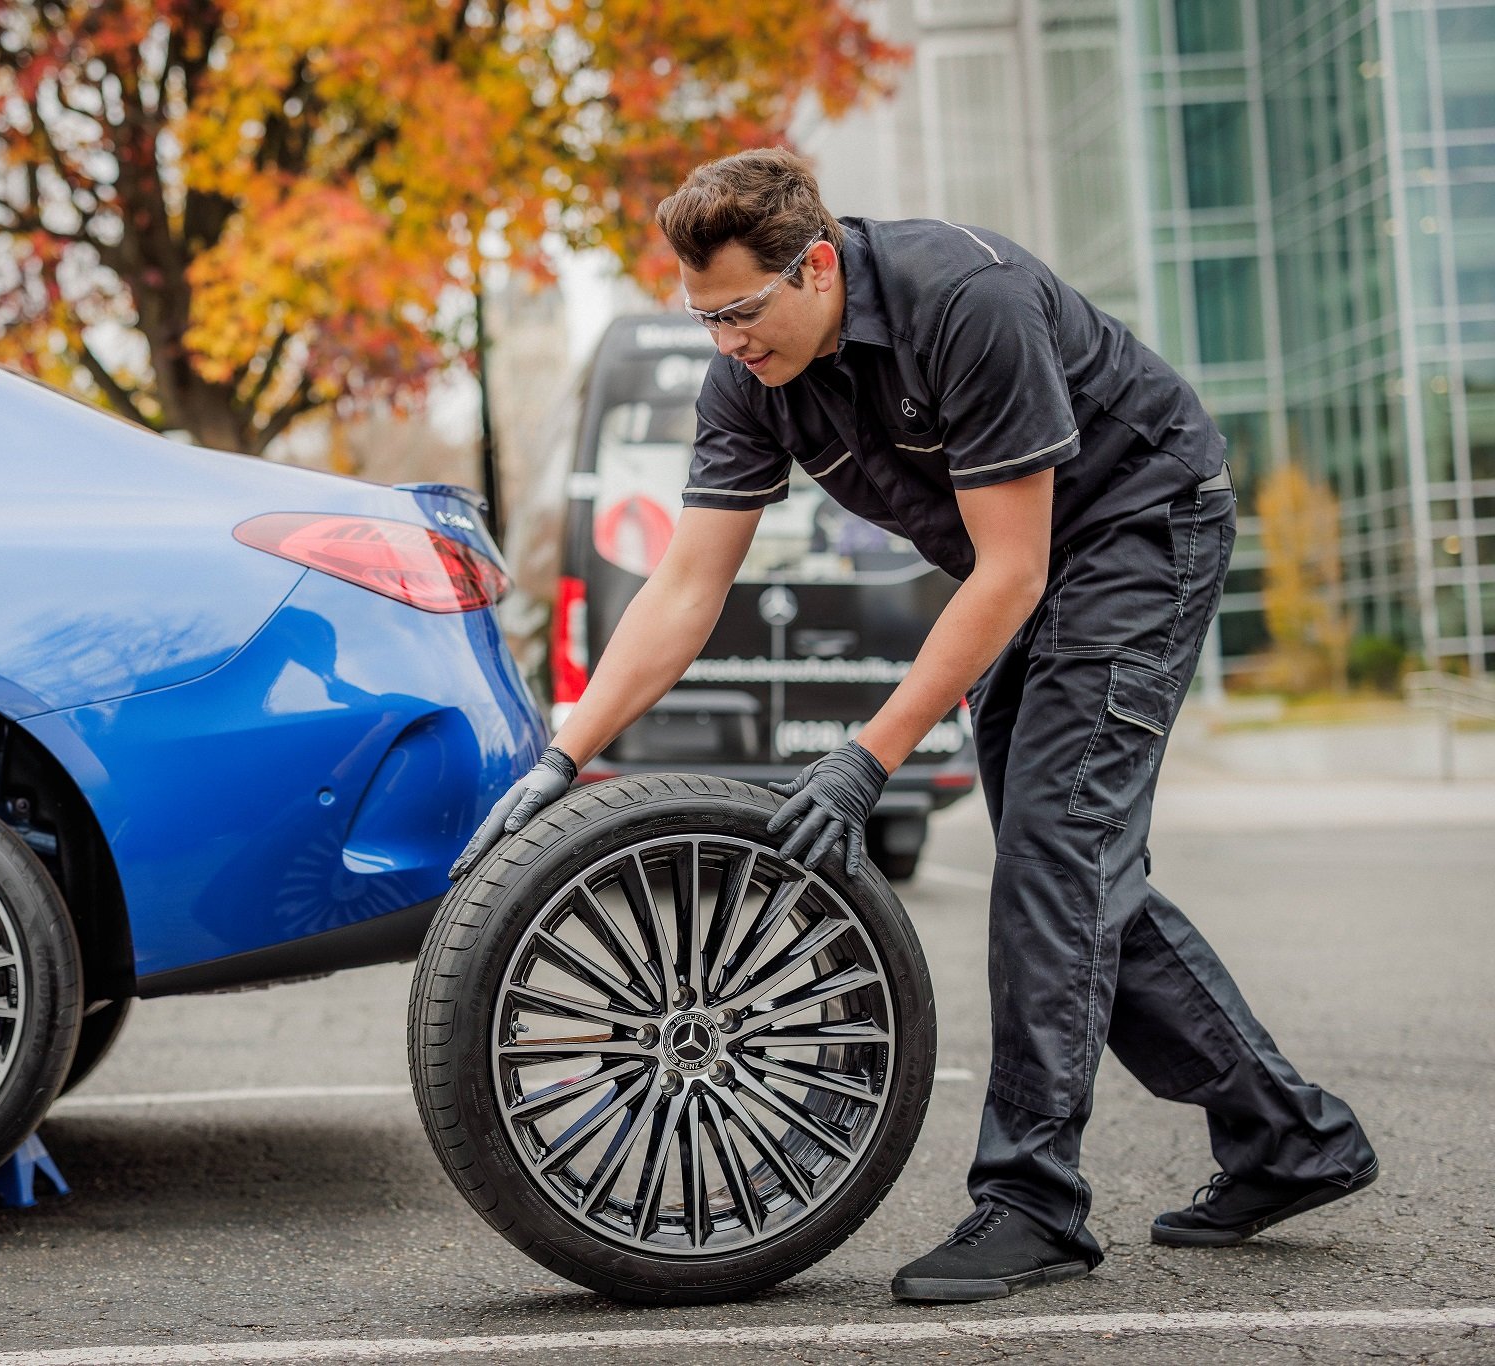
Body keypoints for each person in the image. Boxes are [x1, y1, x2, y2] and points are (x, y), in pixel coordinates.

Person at [448, 147, 1376, 1304]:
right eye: (703, 318)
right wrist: (560, 755)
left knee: (1050, 852)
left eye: (739, 309)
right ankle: (1288, 1136)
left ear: (817, 266)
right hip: (1026, 567)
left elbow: (1009, 568)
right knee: (1076, 865)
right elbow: (685, 589)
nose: (725, 340)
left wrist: (864, 760)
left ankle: (1032, 1203)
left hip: (1137, 529)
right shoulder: (748, 376)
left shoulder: (962, 302)